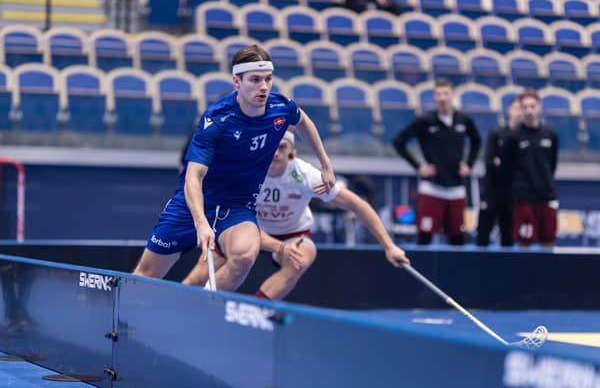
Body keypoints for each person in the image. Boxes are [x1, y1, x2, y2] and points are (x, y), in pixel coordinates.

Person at [133, 44, 336, 293]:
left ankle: (204, 309)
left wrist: (325, 164)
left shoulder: (281, 108)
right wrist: (200, 222)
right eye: (255, 80)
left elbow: (303, 121)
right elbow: (193, 177)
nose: (263, 86)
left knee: (244, 256)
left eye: (268, 79)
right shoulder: (217, 120)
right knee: (146, 274)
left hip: (238, 206)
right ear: (237, 82)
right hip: (193, 206)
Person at [182, 129, 410, 300]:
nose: (276, 153)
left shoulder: (306, 176)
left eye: (283, 147)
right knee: (198, 276)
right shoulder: (246, 173)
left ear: (292, 150)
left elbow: (358, 205)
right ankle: (190, 305)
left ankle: (254, 310)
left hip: (292, 234)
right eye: (273, 146)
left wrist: (389, 245)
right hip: (248, 230)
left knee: (303, 257)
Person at [393, 78, 481, 245]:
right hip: (431, 189)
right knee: (424, 237)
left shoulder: (464, 120)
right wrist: (418, 166)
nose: (442, 98)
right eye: (439, 94)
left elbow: (477, 141)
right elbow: (399, 141)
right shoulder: (425, 121)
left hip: (456, 189)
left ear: (452, 95)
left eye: (446, 94)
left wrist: (469, 164)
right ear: (434, 96)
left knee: (458, 239)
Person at [503, 89, 559, 247]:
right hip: (523, 198)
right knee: (524, 242)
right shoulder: (513, 137)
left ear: (539, 107)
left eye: (532, 106)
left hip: (546, 196)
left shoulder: (551, 134)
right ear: (520, 109)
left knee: (548, 241)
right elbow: (506, 170)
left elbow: (553, 164)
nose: (528, 111)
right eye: (525, 107)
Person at [476, 97, 522, 247]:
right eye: (516, 108)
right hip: (491, 193)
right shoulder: (496, 133)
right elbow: (490, 162)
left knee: (508, 238)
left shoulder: (525, 137)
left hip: (512, 195)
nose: (519, 113)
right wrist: (505, 165)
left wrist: (502, 163)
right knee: (482, 236)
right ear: (509, 110)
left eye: (521, 109)